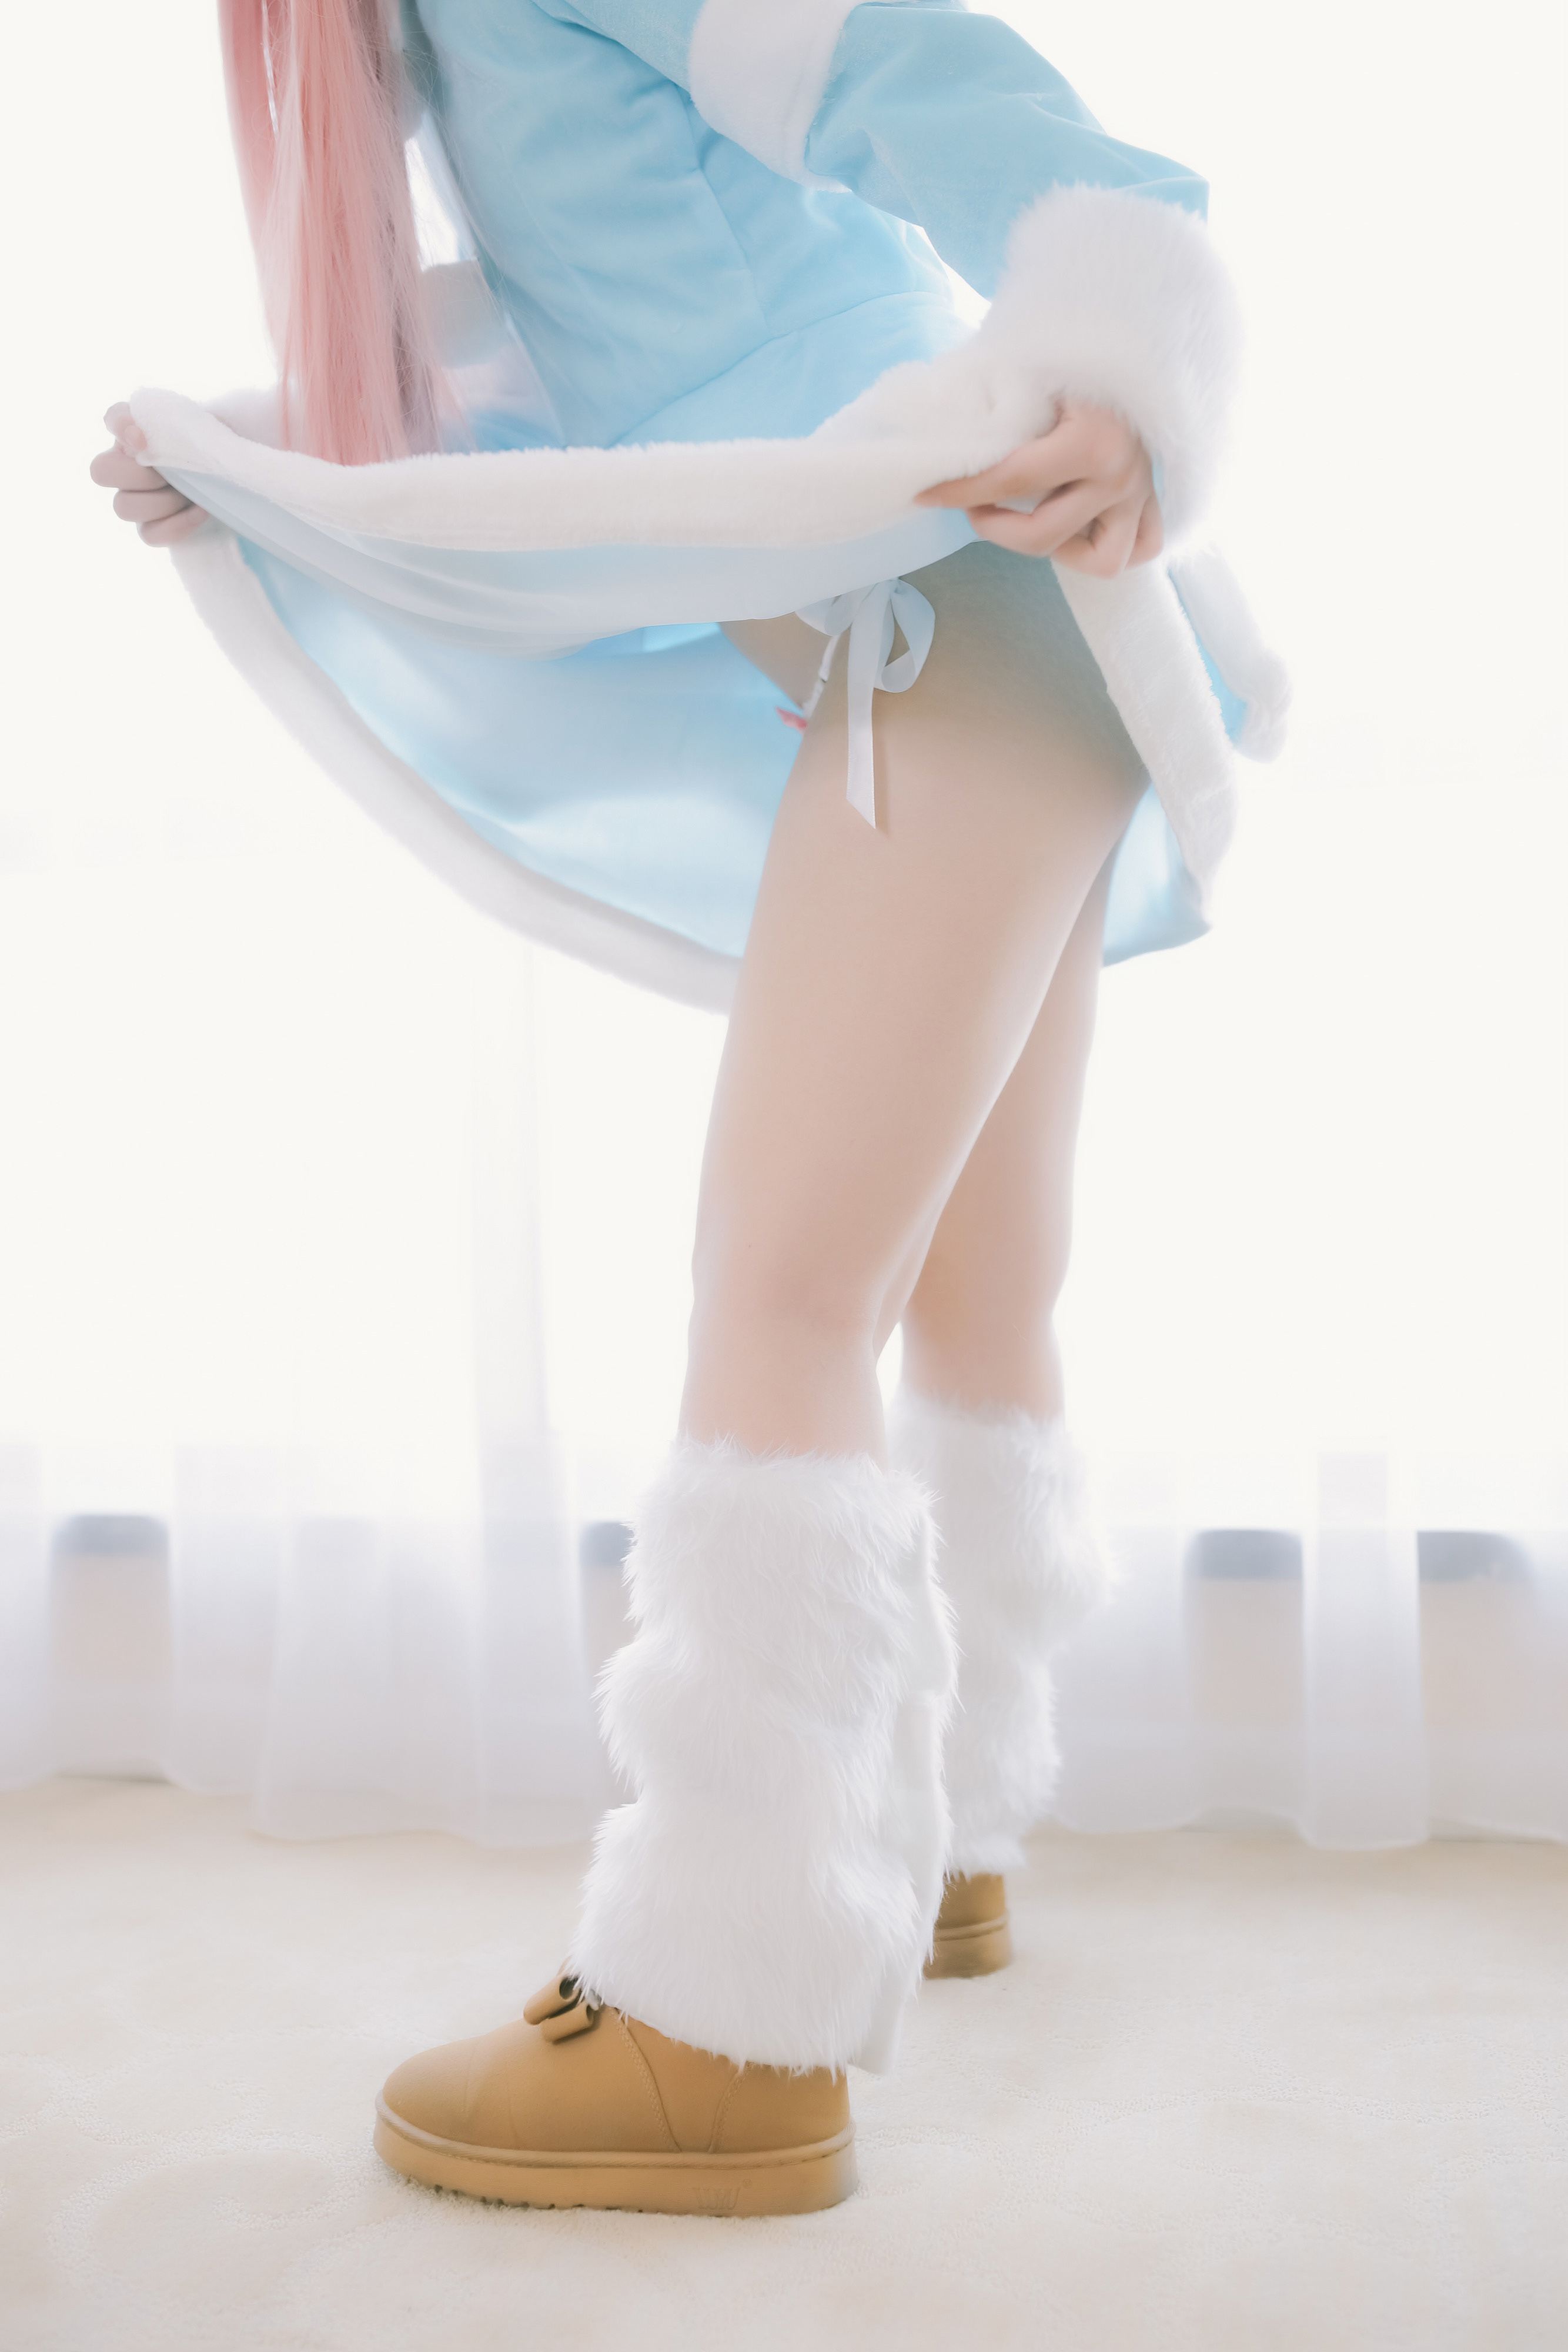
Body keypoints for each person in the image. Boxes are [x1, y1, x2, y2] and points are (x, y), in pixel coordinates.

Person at [92, 0, 1285, 2216]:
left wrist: (1123, 375)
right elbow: (630, 359)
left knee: (783, 1293)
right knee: (963, 1282)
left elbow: (966, 103)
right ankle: (931, 1836)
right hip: (980, 624)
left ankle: (721, 2028)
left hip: (948, 609)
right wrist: (267, 473)